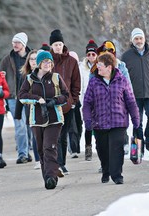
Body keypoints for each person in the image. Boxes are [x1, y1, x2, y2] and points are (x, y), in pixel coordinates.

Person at [83, 52, 140, 184]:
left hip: (118, 121)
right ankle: (106, 170)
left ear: (109, 67)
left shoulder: (122, 81)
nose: (98, 67)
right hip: (99, 123)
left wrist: (136, 120)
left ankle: (117, 175)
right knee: (102, 150)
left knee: (117, 148)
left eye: (100, 65)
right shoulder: (94, 82)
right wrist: (87, 120)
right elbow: (87, 104)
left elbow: (131, 102)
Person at [18, 51, 69, 189]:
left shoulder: (56, 77)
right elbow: (22, 96)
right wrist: (37, 99)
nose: (48, 64)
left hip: (55, 119)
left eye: (50, 62)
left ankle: (51, 178)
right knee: (41, 150)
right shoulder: (30, 79)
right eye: (45, 61)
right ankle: (47, 176)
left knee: (49, 147)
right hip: (36, 119)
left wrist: (55, 101)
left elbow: (66, 95)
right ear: (39, 64)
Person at [49, 29, 81, 175]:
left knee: (64, 134)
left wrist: (74, 100)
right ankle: (58, 163)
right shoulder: (47, 61)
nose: (58, 47)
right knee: (56, 134)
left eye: (60, 44)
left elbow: (76, 82)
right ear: (51, 46)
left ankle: (62, 164)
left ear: (63, 44)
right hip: (52, 104)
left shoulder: (72, 61)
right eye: (55, 44)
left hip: (68, 104)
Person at [0, 32, 32, 164]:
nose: (14, 45)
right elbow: (0, 78)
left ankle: (28, 149)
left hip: (30, 96)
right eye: (13, 42)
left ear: (23, 44)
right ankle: (22, 154)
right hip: (14, 97)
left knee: (30, 125)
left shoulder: (32, 57)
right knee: (20, 126)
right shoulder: (7, 59)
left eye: (17, 42)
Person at [14, 49, 41, 169]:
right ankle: (38, 160)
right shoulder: (24, 76)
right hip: (30, 109)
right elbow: (20, 95)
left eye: (36, 59)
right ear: (28, 61)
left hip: (45, 108)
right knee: (35, 135)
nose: (34, 61)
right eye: (31, 59)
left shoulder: (45, 73)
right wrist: (18, 113)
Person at [79, 39, 98, 161]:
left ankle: (99, 146)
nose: (91, 56)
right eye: (89, 54)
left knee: (99, 126)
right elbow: (80, 85)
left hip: (99, 100)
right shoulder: (82, 67)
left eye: (93, 54)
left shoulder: (101, 65)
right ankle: (88, 148)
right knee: (88, 125)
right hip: (87, 100)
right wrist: (81, 102)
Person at [68, 50, 82, 159]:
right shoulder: (67, 71)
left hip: (79, 101)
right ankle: (73, 148)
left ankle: (76, 145)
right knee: (72, 126)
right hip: (69, 100)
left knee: (79, 124)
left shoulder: (81, 70)